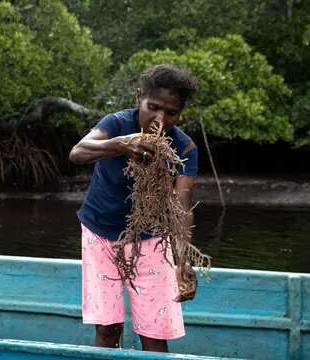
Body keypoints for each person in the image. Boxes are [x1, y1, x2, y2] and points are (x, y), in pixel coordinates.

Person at [69, 64, 199, 352]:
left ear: (180, 114)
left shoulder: (184, 147)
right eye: (153, 107)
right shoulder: (116, 124)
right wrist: (120, 145)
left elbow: (182, 208)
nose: (160, 119)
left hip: (151, 239)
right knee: (107, 327)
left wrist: (181, 261)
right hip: (99, 233)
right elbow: (77, 152)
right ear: (139, 97)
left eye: (171, 113)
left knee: (154, 332)